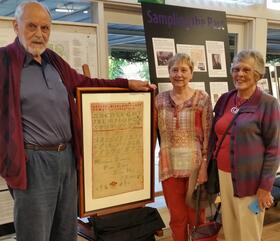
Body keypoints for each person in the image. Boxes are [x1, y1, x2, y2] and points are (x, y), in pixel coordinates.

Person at [0, 1, 155, 241]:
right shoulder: (4, 61)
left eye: (45, 28)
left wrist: (125, 83)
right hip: (34, 162)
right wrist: (7, 160)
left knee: (65, 231)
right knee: (35, 234)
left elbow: (84, 83)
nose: (39, 34)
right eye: (31, 26)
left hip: (67, 159)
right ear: (16, 26)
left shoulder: (53, 60)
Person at [208, 49, 280, 241]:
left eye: (246, 70)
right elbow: (215, 135)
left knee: (248, 231)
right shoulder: (225, 98)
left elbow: (274, 149)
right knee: (230, 227)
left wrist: (265, 187)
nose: (240, 74)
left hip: (251, 179)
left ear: (257, 74)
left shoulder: (268, 103)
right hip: (224, 175)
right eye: (236, 69)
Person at [155, 53, 213, 241]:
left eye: (183, 70)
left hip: (195, 167)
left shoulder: (201, 98)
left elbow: (208, 134)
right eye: (174, 70)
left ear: (191, 74)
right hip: (169, 167)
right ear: (169, 73)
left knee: (197, 218)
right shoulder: (159, 100)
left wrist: (205, 166)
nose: (179, 74)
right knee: (177, 218)